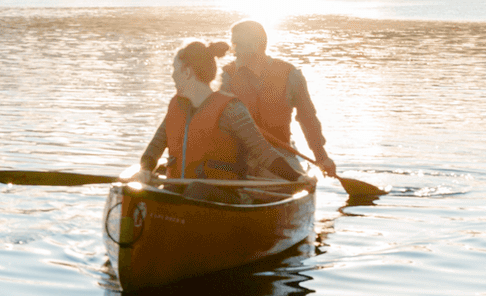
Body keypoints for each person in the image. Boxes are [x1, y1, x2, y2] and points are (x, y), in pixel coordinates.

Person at [135, 40, 301, 191]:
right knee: (166, 190)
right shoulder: (177, 107)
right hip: (179, 191)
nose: (172, 75)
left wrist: (298, 177)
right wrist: (145, 170)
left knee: (196, 190)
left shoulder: (231, 109)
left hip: (221, 195)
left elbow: (264, 153)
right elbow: (153, 150)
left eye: (174, 69)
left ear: (187, 72)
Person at [216, 19, 338, 178]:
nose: (233, 50)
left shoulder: (290, 74)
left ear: (255, 45)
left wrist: (321, 157)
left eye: (237, 44)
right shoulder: (227, 76)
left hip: (280, 154)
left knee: (287, 178)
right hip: (238, 157)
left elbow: (307, 118)